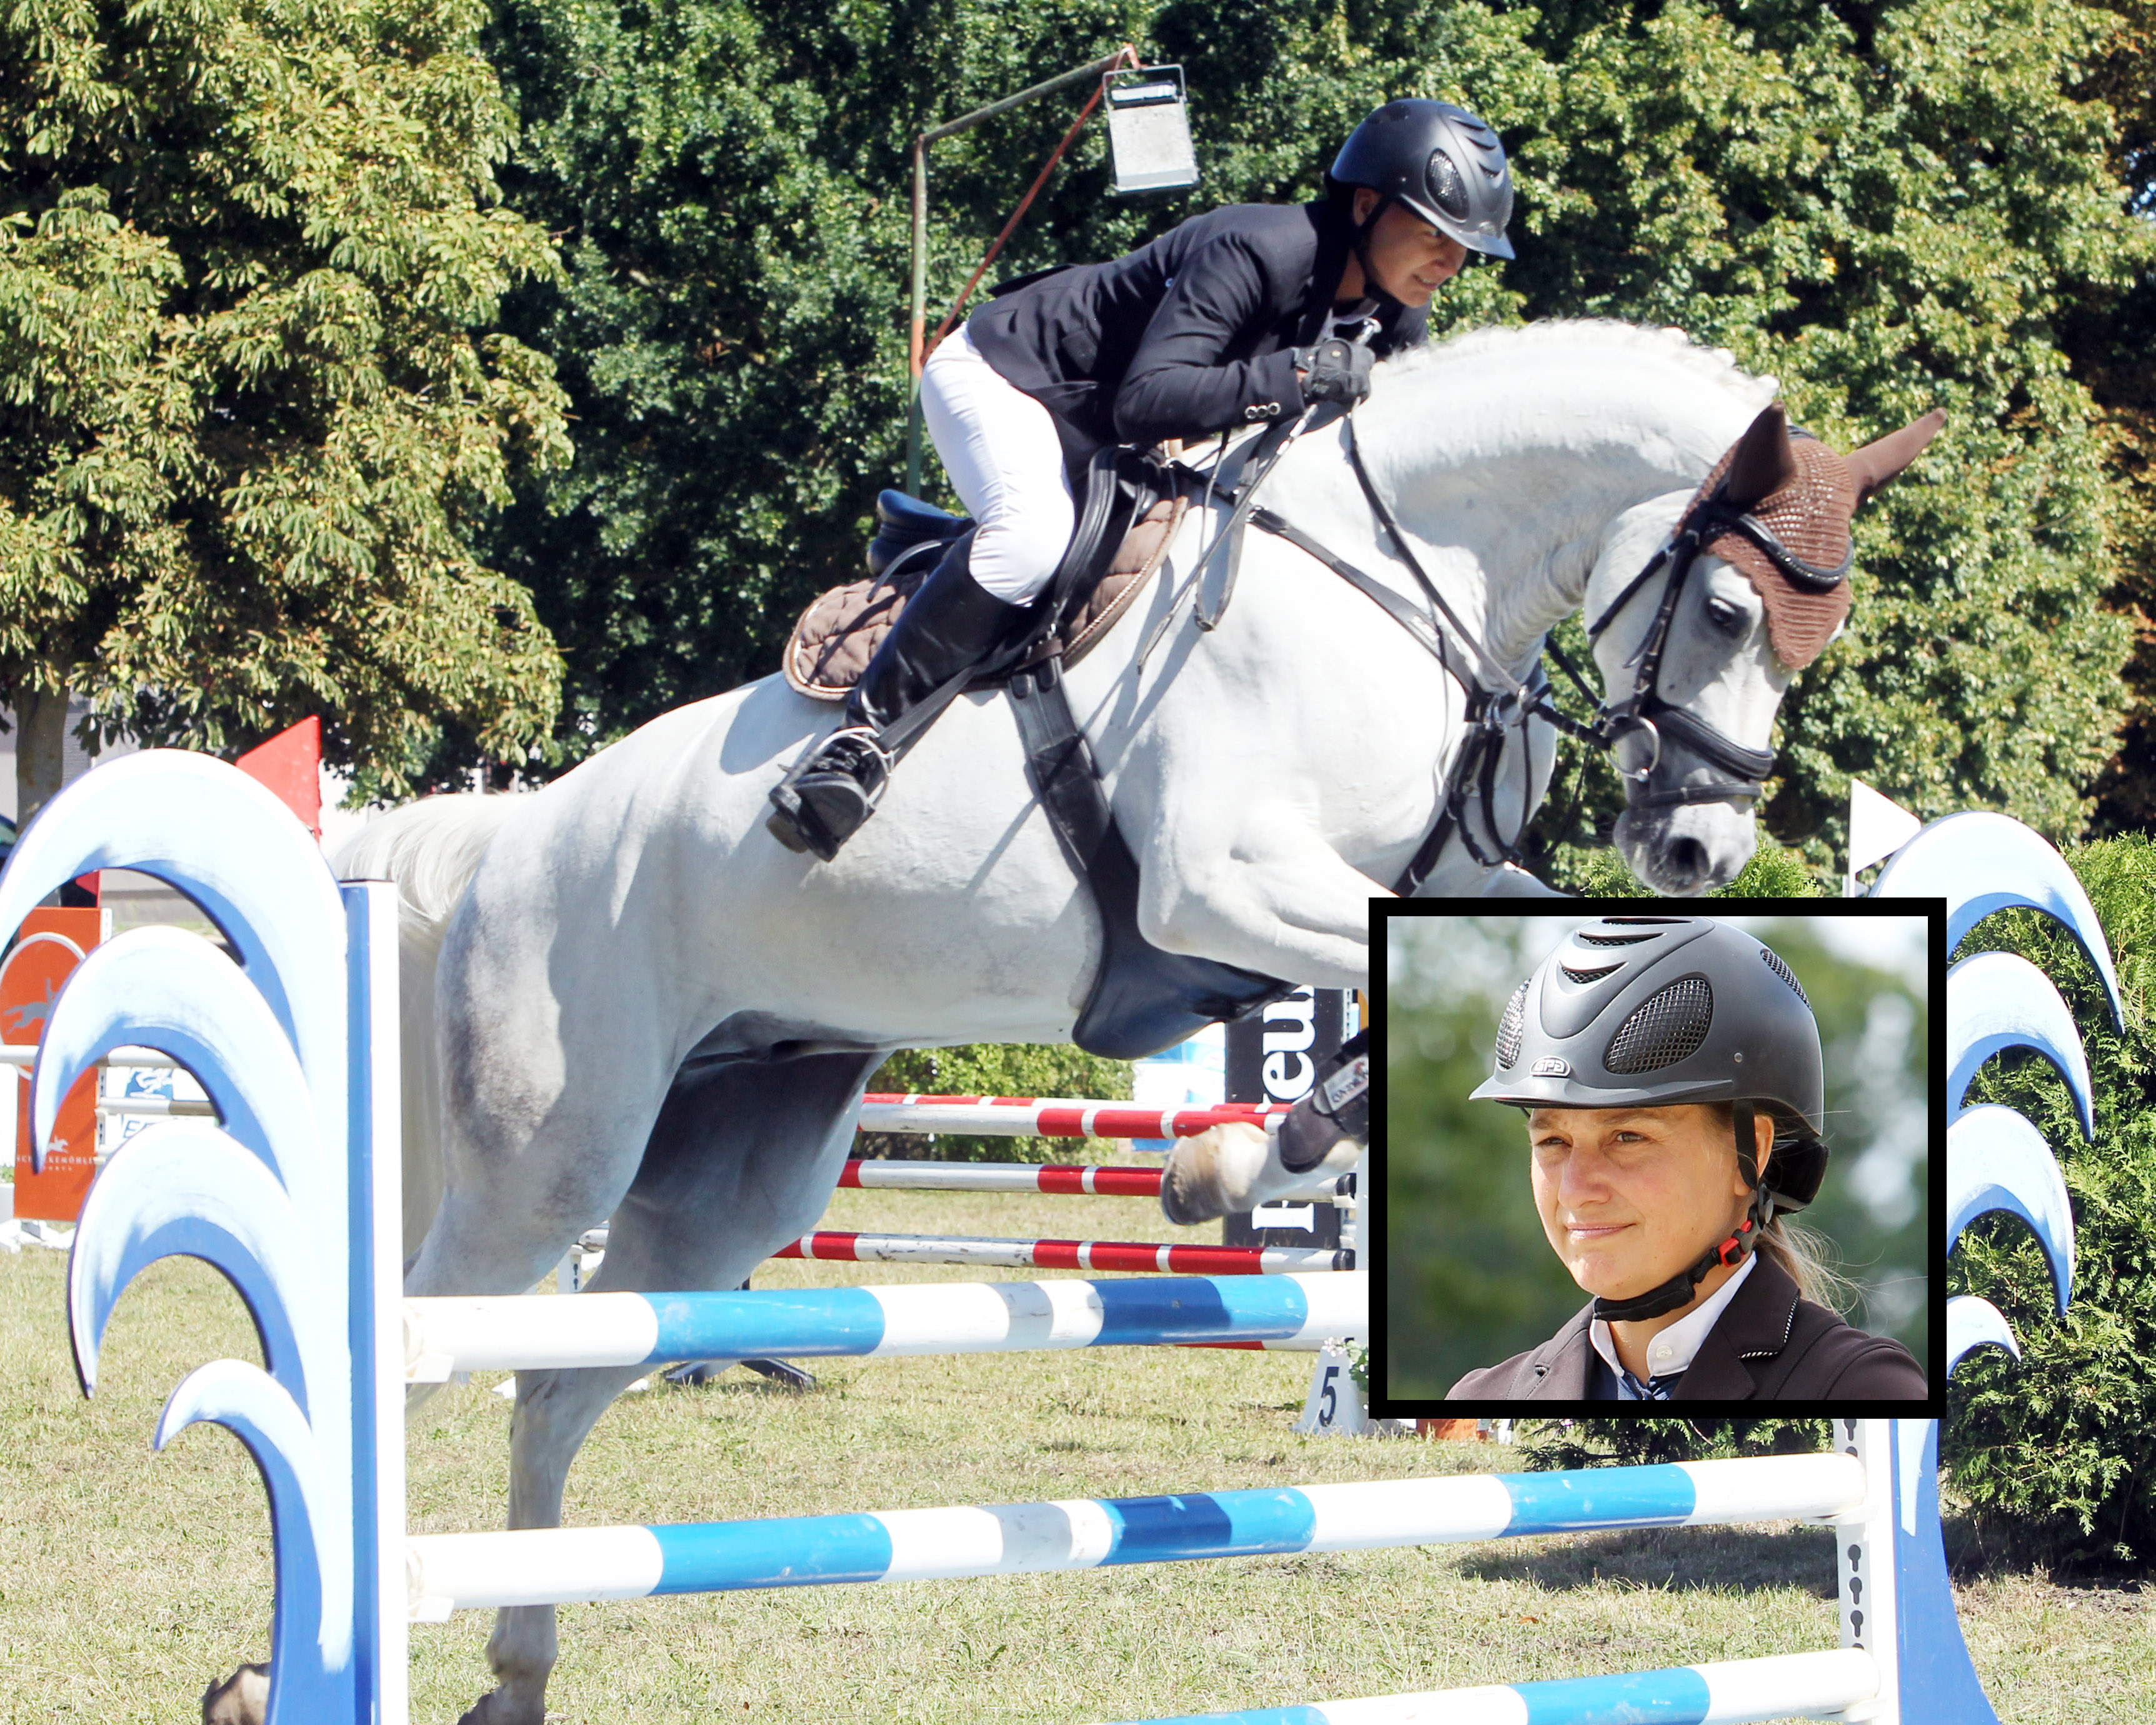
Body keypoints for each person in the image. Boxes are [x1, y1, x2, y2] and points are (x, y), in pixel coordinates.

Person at [767, 98, 1517, 861]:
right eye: (1435, 234)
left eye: (1464, 247)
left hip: (1114, 431)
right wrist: (1296, 373)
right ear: (1366, 205)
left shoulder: (1396, 316)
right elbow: (1145, 402)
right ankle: (856, 743)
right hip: (1014, 380)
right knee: (1032, 539)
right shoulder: (1256, 247)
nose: (1452, 264)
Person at [1447, 916, 1928, 1401]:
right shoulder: (1483, 1403)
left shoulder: (1863, 1392)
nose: (1575, 1191)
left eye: (1628, 1137)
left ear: (1752, 1152)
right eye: (1553, 1143)